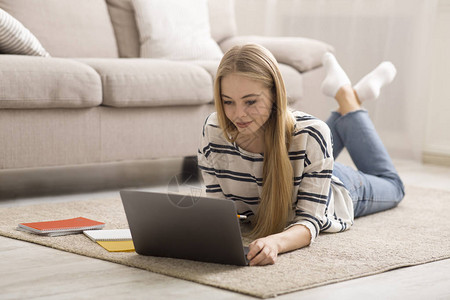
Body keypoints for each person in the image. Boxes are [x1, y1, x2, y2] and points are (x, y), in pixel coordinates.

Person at [197, 44, 405, 266]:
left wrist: (275, 243)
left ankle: (347, 97)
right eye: (228, 101)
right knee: (309, 139)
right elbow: (219, 212)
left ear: (275, 95)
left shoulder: (312, 134)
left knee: (393, 186)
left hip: (333, 185)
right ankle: (354, 95)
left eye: (251, 101)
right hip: (303, 157)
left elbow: (309, 221)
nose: (238, 114)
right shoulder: (214, 130)